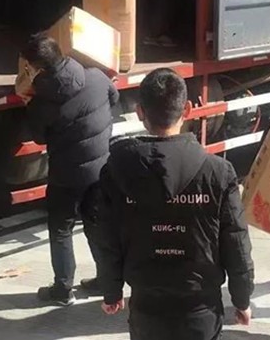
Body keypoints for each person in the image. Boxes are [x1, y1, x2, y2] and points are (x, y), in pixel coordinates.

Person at [95, 68, 254, 340]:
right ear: (188, 109)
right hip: (201, 310)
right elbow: (236, 242)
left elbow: (106, 239)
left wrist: (112, 290)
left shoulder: (116, 173)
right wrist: (242, 299)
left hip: (146, 308)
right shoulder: (218, 172)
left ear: (139, 112)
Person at [19, 34, 119, 306]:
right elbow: (114, 97)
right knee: (95, 223)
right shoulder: (96, 76)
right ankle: (105, 281)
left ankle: (63, 290)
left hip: (66, 176)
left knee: (61, 229)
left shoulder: (41, 104)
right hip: (100, 167)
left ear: (34, 67)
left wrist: (29, 105)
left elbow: (39, 138)